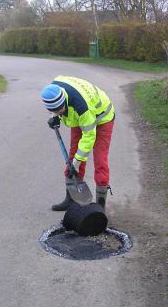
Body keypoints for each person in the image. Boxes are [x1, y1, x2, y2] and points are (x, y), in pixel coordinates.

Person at [41, 76, 115, 211]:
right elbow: (56, 107)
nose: (58, 113)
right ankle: (71, 199)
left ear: (65, 101)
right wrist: (54, 117)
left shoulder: (81, 107)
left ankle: (100, 206)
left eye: (60, 110)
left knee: (100, 160)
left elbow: (89, 137)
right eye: (54, 110)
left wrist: (78, 162)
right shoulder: (53, 90)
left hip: (102, 117)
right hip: (80, 117)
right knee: (73, 155)